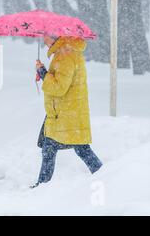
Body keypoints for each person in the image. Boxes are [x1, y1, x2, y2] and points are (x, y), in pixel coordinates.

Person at [31, 35, 102, 188]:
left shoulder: (65, 55)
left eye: (46, 37)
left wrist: (43, 72)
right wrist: (45, 74)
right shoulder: (67, 52)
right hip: (68, 112)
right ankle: (104, 176)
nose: (44, 41)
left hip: (66, 113)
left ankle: (42, 186)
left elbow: (59, 87)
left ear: (55, 37)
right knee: (77, 149)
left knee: (53, 148)